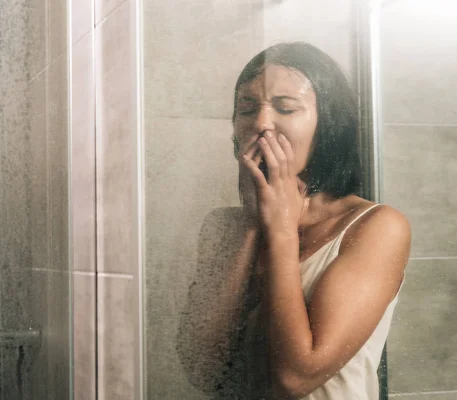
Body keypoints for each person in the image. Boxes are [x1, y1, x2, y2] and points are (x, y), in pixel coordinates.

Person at [176, 42, 410, 399]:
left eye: (285, 108)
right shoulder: (221, 228)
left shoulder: (376, 227)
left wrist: (282, 230)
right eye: (246, 108)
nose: (261, 124)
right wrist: (254, 225)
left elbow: (296, 378)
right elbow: (201, 368)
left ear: (327, 125)